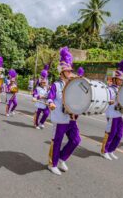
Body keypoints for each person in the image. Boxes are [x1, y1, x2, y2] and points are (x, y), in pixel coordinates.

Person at [47, 47, 81, 176]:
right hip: (60, 118)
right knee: (57, 142)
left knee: (76, 140)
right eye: (67, 71)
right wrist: (51, 103)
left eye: (70, 70)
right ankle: (52, 164)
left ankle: (61, 158)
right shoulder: (56, 85)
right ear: (62, 72)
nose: (70, 72)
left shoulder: (73, 84)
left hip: (71, 119)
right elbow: (50, 97)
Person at [101, 60, 123, 160]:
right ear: (114, 79)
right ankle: (104, 151)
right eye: (119, 80)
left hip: (118, 114)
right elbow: (108, 100)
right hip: (111, 114)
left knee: (119, 134)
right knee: (110, 133)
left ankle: (111, 150)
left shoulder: (119, 89)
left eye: (121, 80)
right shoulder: (110, 89)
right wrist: (111, 101)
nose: (121, 81)